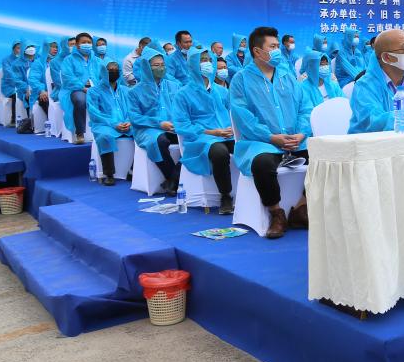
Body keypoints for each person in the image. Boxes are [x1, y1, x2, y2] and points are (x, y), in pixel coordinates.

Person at [229, 26, 314, 238]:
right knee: (262, 164)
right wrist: (271, 137)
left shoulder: (288, 76)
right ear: (257, 51)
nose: (277, 51)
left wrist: (302, 133)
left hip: (295, 139)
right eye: (273, 47)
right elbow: (243, 117)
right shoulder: (241, 79)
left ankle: (301, 207)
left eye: (278, 46)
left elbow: (305, 108)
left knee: (324, 158)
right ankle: (276, 213)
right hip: (262, 142)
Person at [172, 49, 236, 214]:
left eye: (208, 59)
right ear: (193, 64)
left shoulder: (221, 91)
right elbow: (182, 125)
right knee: (219, 153)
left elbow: (235, 113)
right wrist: (212, 132)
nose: (207, 63)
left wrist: (234, 129)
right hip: (201, 138)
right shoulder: (183, 94)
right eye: (202, 60)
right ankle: (225, 196)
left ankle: (252, 192)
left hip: (227, 135)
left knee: (249, 146)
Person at [126, 48, 183, 195]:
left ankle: (173, 180)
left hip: (173, 126)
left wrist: (178, 123)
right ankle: (173, 178)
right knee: (160, 141)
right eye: (156, 65)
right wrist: (159, 123)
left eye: (162, 64)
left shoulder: (174, 86)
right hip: (147, 129)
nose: (161, 68)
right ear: (146, 67)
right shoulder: (134, 91)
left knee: (194, 139)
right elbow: (135, 117)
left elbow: (181, 109)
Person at [87, 61, 133, 186]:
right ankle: (109, 174)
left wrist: (129, 122)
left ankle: (132, 169)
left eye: (116, 69)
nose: (113, 72)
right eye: (110, 70)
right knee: (104, 136)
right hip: (104, 124)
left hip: (126, 125)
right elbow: (94, 113)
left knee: (143, 132)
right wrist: (114, 124)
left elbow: (132, 109)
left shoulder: (125, 90)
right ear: (103, 72)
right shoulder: (94, 91)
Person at [59, 33, 104, 143]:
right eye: (83, 42)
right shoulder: (69, 60)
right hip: (75, 89)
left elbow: (103, 77)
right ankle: (80, 133)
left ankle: (107, 130)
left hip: (95, 89)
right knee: (80, 100)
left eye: (89, 42)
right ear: (77, 45)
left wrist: (98, 88)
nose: (87, 44)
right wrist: (82, 87)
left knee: (108, 98)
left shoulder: (97, 60)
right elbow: (67, 77)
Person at [0, 40, 29, 127]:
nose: (20, 50)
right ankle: (13, 120)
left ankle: (29, 119)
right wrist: (22, 86)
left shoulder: (25, 60)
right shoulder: (6, 60)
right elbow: (9, 75)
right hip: (9, 85)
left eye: (22, 48)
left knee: (30, 94)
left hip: (23, 84)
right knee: (16, 94)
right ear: (13, 49)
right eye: (18, 48)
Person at [28, 39, 56, 114]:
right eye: (52, 47)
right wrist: (41, 90)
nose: (55, 49)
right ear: (46, 48)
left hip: (56, 91)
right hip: (41, 92)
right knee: (46, 100)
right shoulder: (38, 63)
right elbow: (33, 79)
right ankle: (51, 120)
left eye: (56, 47)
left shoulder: (58, 62)